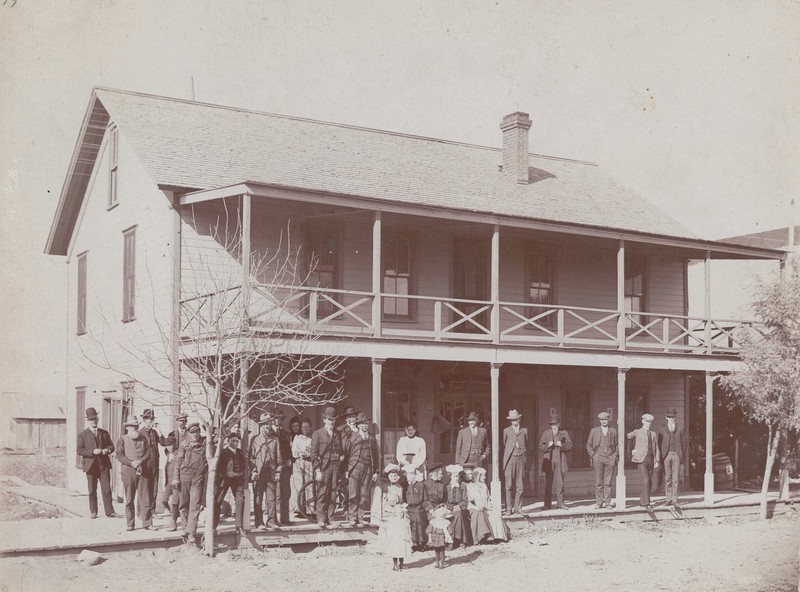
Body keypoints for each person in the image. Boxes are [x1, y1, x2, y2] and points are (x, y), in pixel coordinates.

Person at [76, 407, 118, 519]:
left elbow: (112, 446)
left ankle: (110, 512)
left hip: (103, 465)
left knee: (106, 489)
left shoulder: (104, 433)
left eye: (95, 418)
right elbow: (79, 450)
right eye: (91, 419)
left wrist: (107, 450)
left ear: (97, 419)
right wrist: (92, 451)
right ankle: (93, 511)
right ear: (87, 420)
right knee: (92, 490)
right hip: (90, 466)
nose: (93, 421)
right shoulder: (83, 435)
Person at [309, 406, 344, 529]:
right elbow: (313, 453)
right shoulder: (317, 434)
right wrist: (317, 470)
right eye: (329, 420)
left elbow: (341, 450)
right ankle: (321, 518)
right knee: (323, 492)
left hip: (336, 467)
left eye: (333, 420)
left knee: (334, 492)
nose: (332, 422)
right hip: (324, 467)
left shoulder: (338, 434)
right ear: (324, 420)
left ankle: (331, 517)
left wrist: (341, 457)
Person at [173, 422, 208, 544]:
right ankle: (184, 528)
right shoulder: (184, 445)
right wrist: (175, 478)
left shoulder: (204, 443)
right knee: (184, 503)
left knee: (195, 504)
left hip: (198, 477)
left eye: (198, 432)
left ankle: (191, 532)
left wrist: (207, 427)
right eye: (193, 432)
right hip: (185, 476)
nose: (196, 435)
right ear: (188, 433)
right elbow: (178, 462)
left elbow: (218, 435)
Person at [116, 417, 152, 531]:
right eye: (131, 426)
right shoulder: (122, 439)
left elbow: (148, 452)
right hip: (128, 471)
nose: (134, 429)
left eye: (136, 426)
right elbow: (119, 455)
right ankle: (130, 524)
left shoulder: (143, 439)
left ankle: (147, 523)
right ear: (127, 427)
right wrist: (131, 463)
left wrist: (140, 461)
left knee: (145, 498)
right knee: (129, 498)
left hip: (143, 471)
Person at [343, 412, 379, 527]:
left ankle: (360, 517)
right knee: (353, 493)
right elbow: (346, 454)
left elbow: (376, 456)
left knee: (364, 495)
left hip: (368, 468)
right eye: (362, 424)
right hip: (355, 467)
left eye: (366, 423)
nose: (364, 426)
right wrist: (346, 469)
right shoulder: (352, 437)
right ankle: (352, 518)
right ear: (358, 425)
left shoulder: (372, 439)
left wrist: (376, 471)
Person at [249, 412, 282, 530]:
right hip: (259, 473)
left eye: (269, 423)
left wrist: (278, 472)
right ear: (261, 426)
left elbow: (279, 458)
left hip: (271, 472)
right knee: (258, 498)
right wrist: (253, 471)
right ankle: (259, 523)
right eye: (265, 424)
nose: (267, 426)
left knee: (271, 498)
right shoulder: (255, 440)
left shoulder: (275, 440)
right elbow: (251, 457)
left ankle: (271, 521)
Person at [380, 464, 412, 571]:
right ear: (388, 477)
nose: (393, 478)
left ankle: (402, 563)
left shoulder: (400, 488)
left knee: (402, 540)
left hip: (398, 514)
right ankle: (394, 564)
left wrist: (402, 508)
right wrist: (388, 512)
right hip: (390, 515)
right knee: (394, 541)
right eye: (391, 476)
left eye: (395, 476)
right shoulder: (385, 487)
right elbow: (383, 503)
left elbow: (401, 501)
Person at [627, 413, 660, 510]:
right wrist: (632, 450)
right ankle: (646, 503)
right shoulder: (637, 432)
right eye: (647, 421)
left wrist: (657, 460)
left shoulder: (653, 434)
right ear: (642, 421)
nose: (648, 423)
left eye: (650, 422)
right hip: (641, 460)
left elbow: (656, 447)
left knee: (649, 482)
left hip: (651, 459)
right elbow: (628, 436)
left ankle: (642, 501)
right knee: (646, 479)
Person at [215, 431, 246, 534]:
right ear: (228, 441)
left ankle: (239, 526)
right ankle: (213, 526)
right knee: (217, 501)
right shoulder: (223, 452)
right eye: (233, 441)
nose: (236, 443)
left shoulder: (240, 452)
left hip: (237, 480)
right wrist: (227, 473)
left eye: (237, 441)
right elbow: (218, 467)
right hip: (224, 479)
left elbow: (244, 465)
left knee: (240, 499)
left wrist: (240, 474)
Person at [586, 411, 619, 509]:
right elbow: (588, 444)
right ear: (599, 421)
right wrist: (593, 455)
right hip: (598, 458)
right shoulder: (594, 431)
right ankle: (599, 502)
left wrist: (615, 456)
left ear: (608, 420)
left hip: (610, 458)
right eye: (602, 420)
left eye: (605, 419)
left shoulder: (613, 431)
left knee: (608, 482)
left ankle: (607, 503)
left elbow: (617, 444)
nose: (604, 421)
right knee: (599, 482)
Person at [468, 467, 510, 543]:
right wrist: (476, 507)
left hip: (486, 507)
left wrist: (489, 505)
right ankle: (487, 537)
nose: (485, 477)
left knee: (495, 515)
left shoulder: (484, 486)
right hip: (479, 509)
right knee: (484, 515)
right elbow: (469, 501)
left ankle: (498, 536)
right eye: (483, 476)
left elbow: (488, 498)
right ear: (478, 476)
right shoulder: (472, 487)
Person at [539, 415, 572, 510]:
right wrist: (547, 446)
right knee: (548, 483)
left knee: (560, 483)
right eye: (552, 425)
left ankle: (560, 503)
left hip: (560, 460)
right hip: (549, 461)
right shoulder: (546, 433)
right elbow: (540, 447)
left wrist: (562, 445)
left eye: (556, 424)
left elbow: (570, 446)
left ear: (559, 424)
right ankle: (547, 504)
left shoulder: (564, 433)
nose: (554, 427)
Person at [659, 408, 687, 508]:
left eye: (673, 417)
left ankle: (675, 500)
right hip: (666, 455)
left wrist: (680, 454)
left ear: (675, 417)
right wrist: (662, 454)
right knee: (668, 478)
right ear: (666, 417)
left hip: (676, 455)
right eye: (669, 417)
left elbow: (684, 443)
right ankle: (668, 499)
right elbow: (659, 443)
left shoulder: (680, 429)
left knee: (675, 479)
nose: (671, 419)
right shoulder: (663, 429)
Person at [502, 409, 528, 516]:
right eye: (512, 420)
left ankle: (518, 508)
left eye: (516, 419)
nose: (514, 422)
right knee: (508, 485)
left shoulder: (524, 431)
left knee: (520, 485)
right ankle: (509, 508)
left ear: (519, 419)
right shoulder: (506, 431)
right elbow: (504, 443)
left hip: (520, 459)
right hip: (510, 460)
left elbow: (526, 443)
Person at [139, 409, 161, 521]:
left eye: (152, 419)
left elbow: (163, 443)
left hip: (155, 463)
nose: (150, 421)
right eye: (148, 419)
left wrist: (160, 431)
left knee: (154, 487)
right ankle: (140, 512)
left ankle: (152, 510)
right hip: (145, 464)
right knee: (144, 488)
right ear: (144, 420)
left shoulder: (154, 432)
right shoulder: (140, 433)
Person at [271, 410, 292, 525]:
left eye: (281, 419)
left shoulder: (285, 434)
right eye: (277, 418)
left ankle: (285, 518)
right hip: (272, 468)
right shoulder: (268, 433)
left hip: (284, 468)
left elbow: (289, 450)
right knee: (273, 494)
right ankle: (273, 518)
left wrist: (289, 459)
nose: (279, 421)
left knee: (285, 493)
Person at [290, 417, 314, 517]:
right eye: (303, 427)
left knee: (309, 487)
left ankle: (311, 511)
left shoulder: (313, 438)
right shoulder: (297, 437)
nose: (304, 429)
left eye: (306, 427)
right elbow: (294, 451)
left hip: (309, 463)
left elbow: (315, 451)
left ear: (310, 428)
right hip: (298, 463)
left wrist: (308, 454)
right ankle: (300, 510)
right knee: (299, 487)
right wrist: (300, 453)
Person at [403, 464, 430, 551]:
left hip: (419, 507)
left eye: (413, 474)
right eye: (409, 474)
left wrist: (429, 509)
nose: (411, 476)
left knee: (418, 515)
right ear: (406, 475)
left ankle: (421, 542)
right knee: (411, 517)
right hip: (408, 508)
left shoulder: (420, 485)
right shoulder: (404, 486)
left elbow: (426, 499)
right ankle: (413, 542)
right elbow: (402, 500)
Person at [444, 464, 471, 548]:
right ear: (450, 477)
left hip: (460, 508)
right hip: (449, 508)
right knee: (450, 515)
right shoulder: (446, 487)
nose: (456, 478)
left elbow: (465, 500)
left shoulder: (462, 486)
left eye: (457, 476)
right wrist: (449, 508)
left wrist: (460, 506)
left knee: (458, 514)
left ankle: (460, 540)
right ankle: (450, 540)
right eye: (454, 476)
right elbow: (444, 500)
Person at [158, 436, 180, 531]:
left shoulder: (179, 453)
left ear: (175, 444)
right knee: (163, 500)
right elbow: (164, 449)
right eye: (167, 445)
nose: (169, 447)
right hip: (168, 482)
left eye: (171, 445)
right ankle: (175, 513)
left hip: (176, 482)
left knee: (175, 502)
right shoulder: (168, 453)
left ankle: (173, 522)